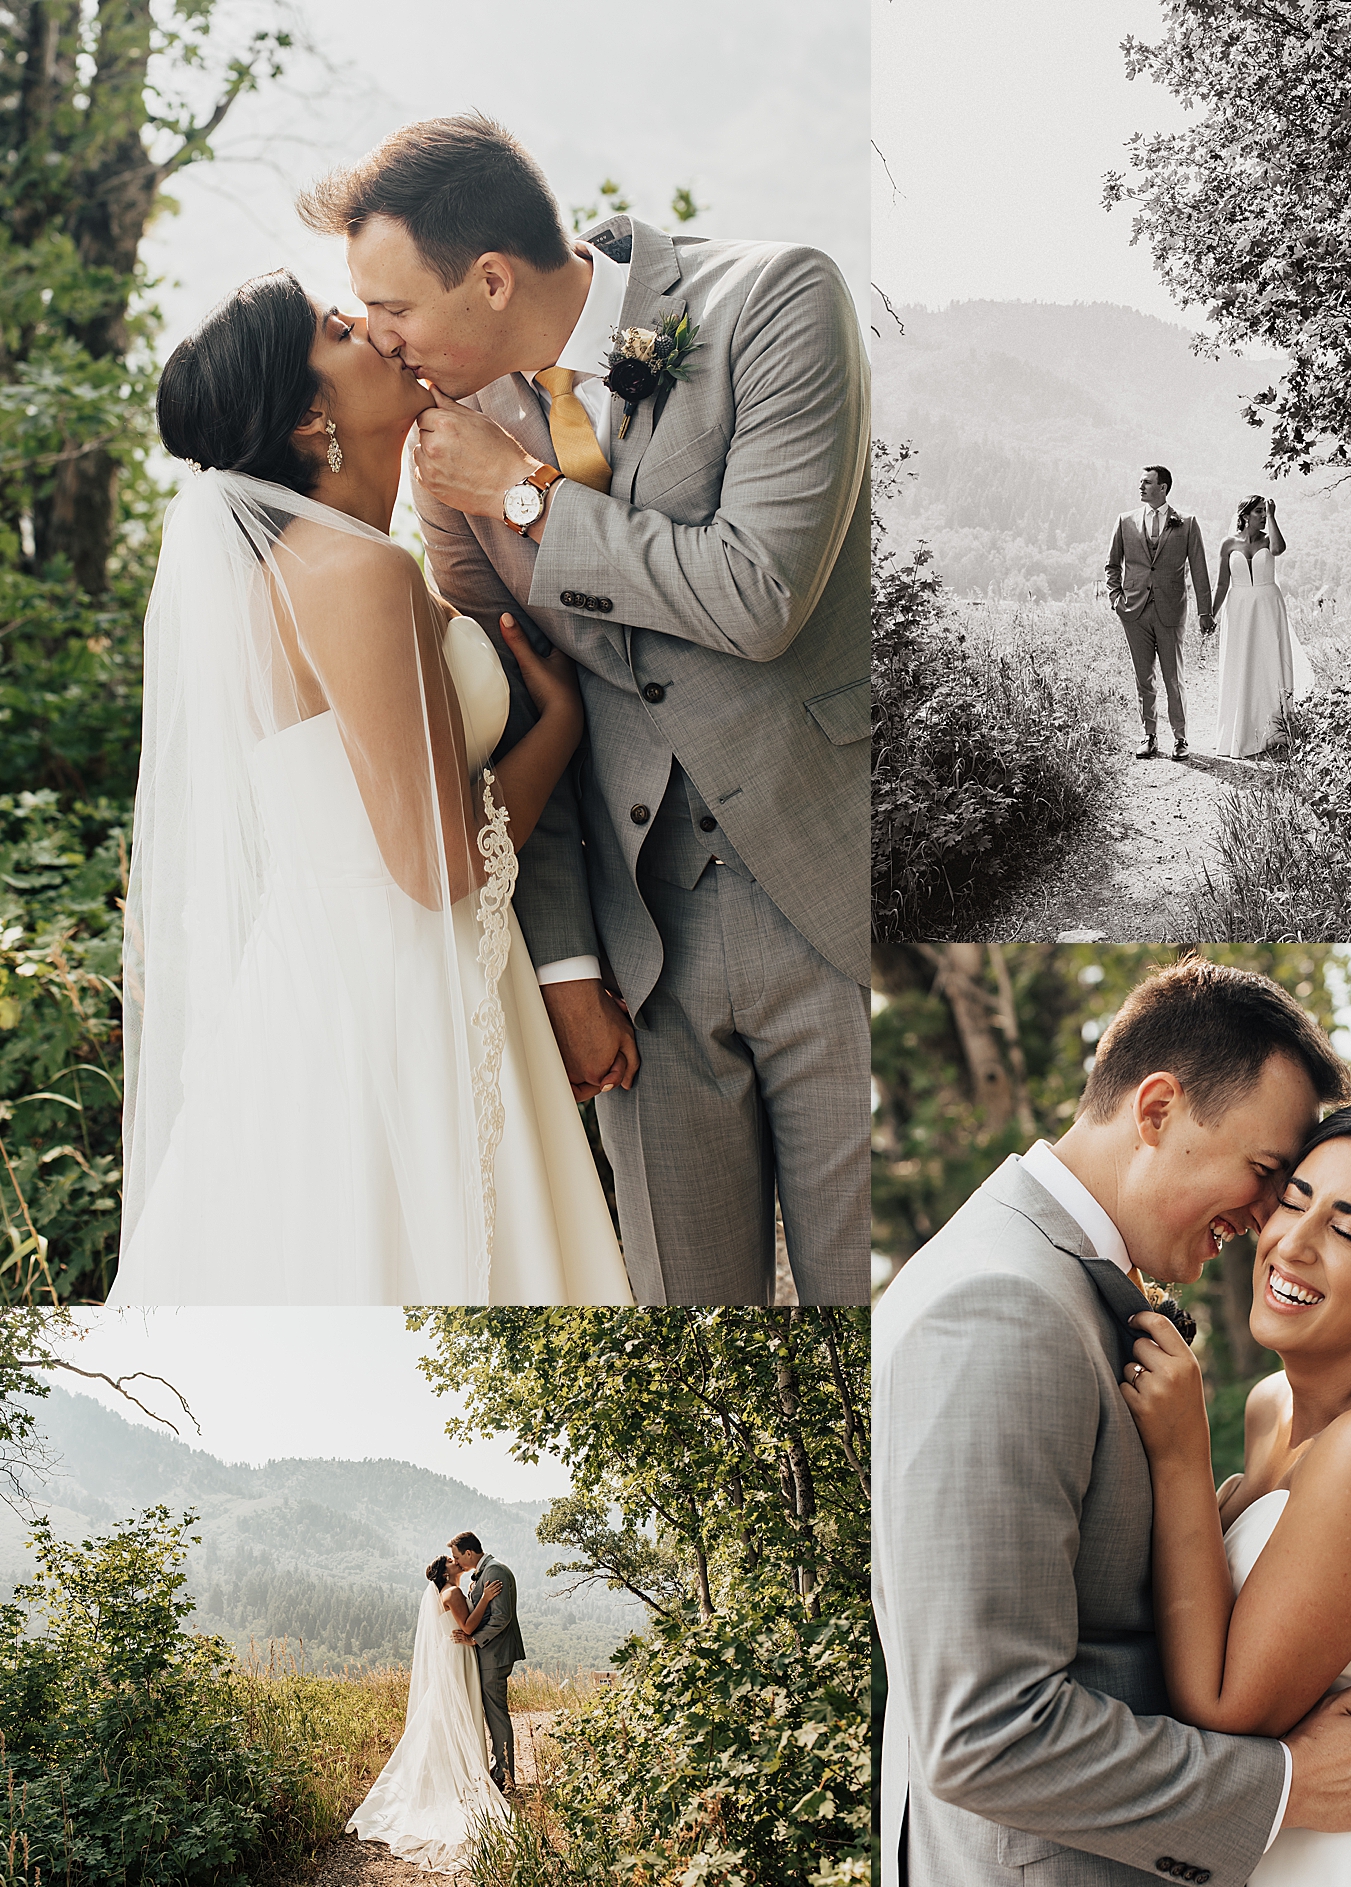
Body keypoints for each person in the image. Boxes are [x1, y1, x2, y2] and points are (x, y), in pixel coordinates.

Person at [296, 112, 871, 1308]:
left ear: (491, 278)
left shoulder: (773, 300)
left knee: (854, 1312)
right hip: (633, 949)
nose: (377, 335)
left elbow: (760, 592)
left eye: (391, 306)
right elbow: (495, 711)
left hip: (832, 893)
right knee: (685, 1312)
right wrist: (560, 963)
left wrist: (522, 495)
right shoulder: (440, 445)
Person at [874, 958, 1351, 1887]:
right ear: (1156, 1111)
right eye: (1272, 1175)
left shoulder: (1046, 1284)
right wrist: (1281, 1785)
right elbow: (984, 1731)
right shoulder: (1004, 1303)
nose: (1271, 1220)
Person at [111, 269, 632, 1307]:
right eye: (340, 331)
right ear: (313, 413)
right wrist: (559, 731)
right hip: (402, 996)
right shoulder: (357, 577)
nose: (374, 332)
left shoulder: (328, 568)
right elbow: (434, 867)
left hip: (338, 978)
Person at [1122, 1103, 1351, 1883]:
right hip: (1280, 1841)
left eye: (1349, 1231)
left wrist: (1183, 1457)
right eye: (1295, 1200)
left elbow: (1228, 1706)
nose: (1292, 1243)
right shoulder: (1271, 1406)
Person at [346, 1553, 508, 1872]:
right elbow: (467, 1625)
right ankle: (463, 1772)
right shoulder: (452, 1592)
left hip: (454, 1653)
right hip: (459, 1653)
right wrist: (487, 1598)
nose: (456, 1562)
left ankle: (450, 1768)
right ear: (444, 1572)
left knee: (448, 1712)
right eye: (451, 1561)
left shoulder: (445, 1592)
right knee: (460, 1710)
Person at [1104, 465, 1214, 760]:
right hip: (1134, 610)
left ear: (1163, 487)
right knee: (1143, 677)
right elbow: (1112, 565)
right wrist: (1116, 598)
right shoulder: (1125, 521)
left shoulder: (1186, 523)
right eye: (1140, 482)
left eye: (1147, 483)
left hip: (1170, 610)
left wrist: (1206, 611)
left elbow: (1199, 569)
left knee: (1173, 677)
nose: (1141, 487)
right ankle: (1149, 736)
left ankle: (1180, 738)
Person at [1208, 495, 1314, 758]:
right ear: (1244, 515)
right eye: (1259, 512)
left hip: (1268, 605)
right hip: (1239, 607)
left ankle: (1275, 730)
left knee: (1269, 662)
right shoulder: (1228, 544)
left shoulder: (1269, 539)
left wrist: (1274, 516)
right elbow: (1222, 584)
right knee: (1241, 663)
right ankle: (1241, 729)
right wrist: (1210, 614)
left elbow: (1279, 549)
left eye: (1265, 512)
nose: (1263, 516)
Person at [446, 1532, 525, 1792]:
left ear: (469, 1553)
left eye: (458, 1556)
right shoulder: (485, 1573)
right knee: (491, 1712)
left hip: (495, 1654)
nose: (456, 1561)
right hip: (490, 1653)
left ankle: (504, 1774)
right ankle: (497, 1767)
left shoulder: (495, 1572)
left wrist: (474, 1640)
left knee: (496, 1713)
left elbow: (501, 1617)